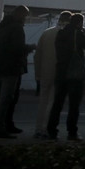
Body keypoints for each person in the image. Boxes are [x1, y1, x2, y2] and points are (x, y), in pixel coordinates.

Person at [47, 12, 85, 141]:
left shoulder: (61, 33)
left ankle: (52, 131)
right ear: (80, 23)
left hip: (61, 72)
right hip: (75, 74)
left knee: (58, 103)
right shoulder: (78, 34)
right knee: (74, 105)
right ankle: (72, 132)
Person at [0, 6, 30, 139]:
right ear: (21, 15)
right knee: (5, 99)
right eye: (25, 16)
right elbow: (17, 48)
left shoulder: (2, 28)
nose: (25, 19)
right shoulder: (17, 28)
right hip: (11, 68)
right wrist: (29, 48)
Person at [33, 11, 71, 139]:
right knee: (52, 101)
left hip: (45, 71)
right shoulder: (68, 35)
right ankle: (46, 128)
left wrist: (37, 73)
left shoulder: (47, 33)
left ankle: (38, 128)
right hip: (59, 72)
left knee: (43, 101)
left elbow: (37, 55)